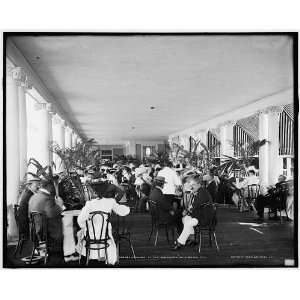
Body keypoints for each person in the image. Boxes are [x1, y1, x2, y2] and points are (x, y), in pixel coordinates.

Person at [76, 189, 130, 265]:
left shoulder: (89, 204)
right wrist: (128, 208)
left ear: (93, 193)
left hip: (91, 236)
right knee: (113, 233)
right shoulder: (110, 202)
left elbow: (80, 220)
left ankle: (90, 256)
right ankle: (103, 256)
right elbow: (123, 211)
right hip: (105, 235)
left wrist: (86, 226)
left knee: (80, 233)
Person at [173, 175, 214, 250]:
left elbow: (194, 205)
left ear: (199, 184)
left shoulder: (202, 192)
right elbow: (194, 206)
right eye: (191, 185)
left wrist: (187, 210)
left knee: (187, 221)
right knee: (185, 219)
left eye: (193, 185)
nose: (192, 187)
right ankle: (193, 239)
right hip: (199, 215)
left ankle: (179, 242)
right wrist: (188, 211)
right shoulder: (199, 191)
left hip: (205, 218)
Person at [28, 179, 65, 256]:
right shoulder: (46, 198)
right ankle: (68, 253)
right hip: (46, 230)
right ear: (49, 186)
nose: (54, 189)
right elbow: (51, 214)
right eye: (54, 186)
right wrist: (60, 205)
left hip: (35, 228)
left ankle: (41, 249)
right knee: (69, 225)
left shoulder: (33, 197)